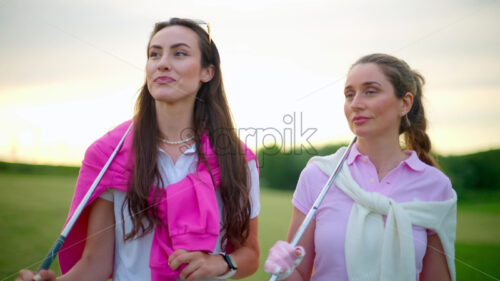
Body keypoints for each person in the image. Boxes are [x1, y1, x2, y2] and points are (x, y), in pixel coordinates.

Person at [17, 18, 260, 281]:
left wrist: (221, 262)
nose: (162, 62)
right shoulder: (107, 154)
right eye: (154, 54)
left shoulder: (236, 159)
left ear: (207, 72)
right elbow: (95, 263)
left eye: (179, 53)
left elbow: (250, 253)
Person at [264, 53, 457, 281]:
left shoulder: (435, 185)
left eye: (370, 91)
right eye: (349, 94)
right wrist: (285, 269)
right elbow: (298, 273)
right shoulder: (319, 175)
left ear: (405, 103)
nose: (355, 104)